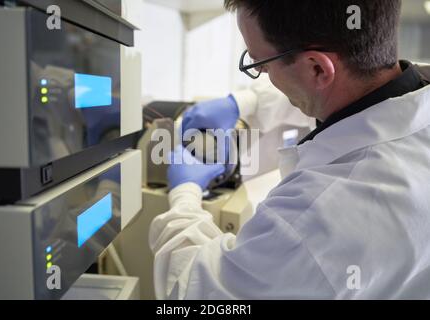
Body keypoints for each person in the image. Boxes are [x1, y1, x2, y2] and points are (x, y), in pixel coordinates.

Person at [149, 0, 430, 299]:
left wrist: (184, 195)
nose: (265, 75)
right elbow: (342, 89)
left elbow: (196, 291)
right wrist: (243, 102)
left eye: (261, 65)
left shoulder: (316, 220)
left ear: (318, 68)